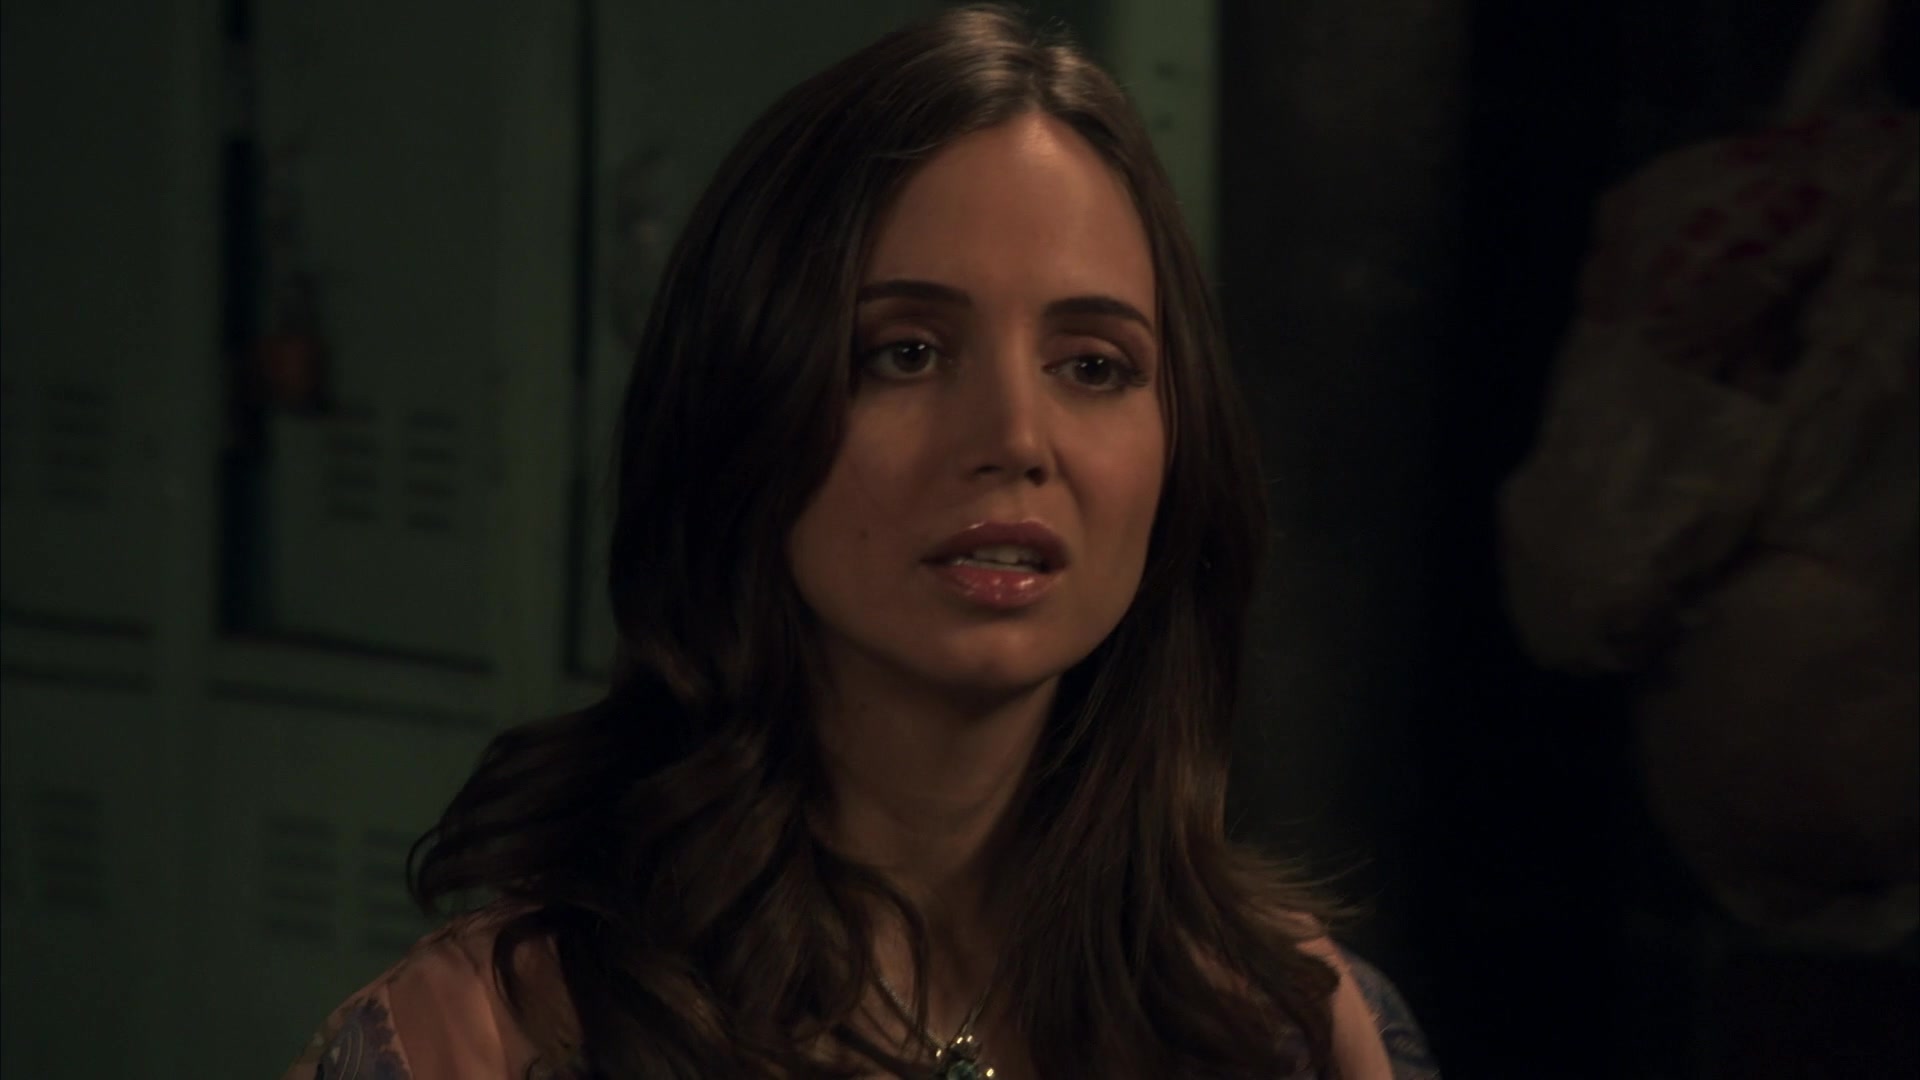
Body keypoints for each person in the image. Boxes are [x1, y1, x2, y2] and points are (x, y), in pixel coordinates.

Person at [280, 5, 1438, 1077]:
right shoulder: (492, 1038)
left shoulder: (1301, 1027)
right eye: (907, 353)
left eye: (1093, 366)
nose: (1015, 438)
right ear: (746, 410)